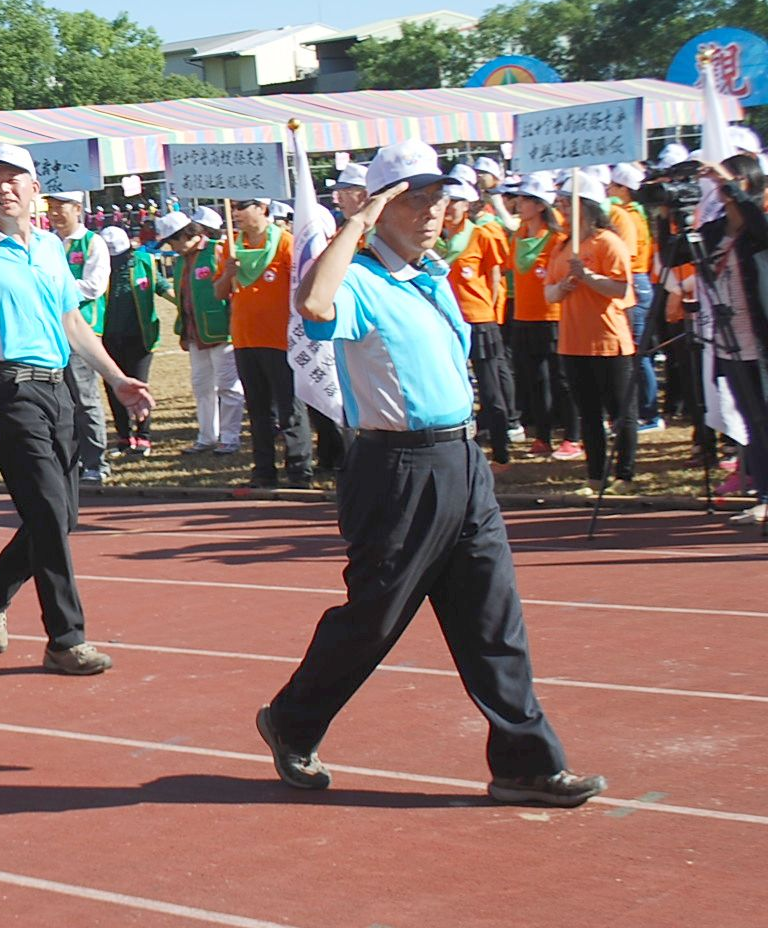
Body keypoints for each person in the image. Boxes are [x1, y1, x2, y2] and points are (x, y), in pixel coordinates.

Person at [259, 138, 607, 808]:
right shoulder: (359, 278)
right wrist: (357, 221)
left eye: (437, 197)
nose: (429, 211)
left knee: (493, 617)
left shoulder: (434, 276)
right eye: (412, 198)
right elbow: (315, 306)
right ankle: (293, 719)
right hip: (398, 469)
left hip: (461, 462)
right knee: (376, 616)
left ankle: (525, 763)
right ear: (381, 205)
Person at [0, 146, 152, 677]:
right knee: (44, 511)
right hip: (9, 390)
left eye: (14, 179)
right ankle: (66, 638)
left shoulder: (51, 250)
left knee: (63, 515)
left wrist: (118, 378)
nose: (3, 189)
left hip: (58, 388)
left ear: (35, 189)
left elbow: (73, 324)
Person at [544, 173, 638, 497]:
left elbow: (621, 288)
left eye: (565, 204)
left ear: (584, 206)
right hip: (572, 341)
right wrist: (563, 287)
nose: (560, 210)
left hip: (609, 341)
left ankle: (625, 475)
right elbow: (549, 294)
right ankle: (596, 477)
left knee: (620, 412)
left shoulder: (608, 243)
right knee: (588, 414)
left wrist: (587, 276)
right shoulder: (562, 246)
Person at [215, 198, 313, 487]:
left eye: (243, 207)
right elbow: (220, 291)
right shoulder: (232, 247)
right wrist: (229, 273)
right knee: (257, 410)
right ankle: (263, 470)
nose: (236, 214)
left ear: (263, 209)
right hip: (245, 339)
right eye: (233, 208)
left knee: (290, 409)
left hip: (282, 340)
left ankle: (299, 470)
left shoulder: (286, 244)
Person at [692, 153, 768, 519]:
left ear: (748, 184)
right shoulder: (716, 229)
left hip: (760, 339)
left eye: (730, 183)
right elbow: (679, 254)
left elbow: (757, 223)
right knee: (753, 422)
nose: (721, 192)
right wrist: (668, 213)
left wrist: (731, 186)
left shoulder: (760, 226)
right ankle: (765, 496)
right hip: (730, 343)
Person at [440, 175, 516, 467]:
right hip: (447, 320)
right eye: (445, 201)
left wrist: (491, 314)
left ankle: (501, 447)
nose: (449, 208)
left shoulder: (481, 235)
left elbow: (495, 279)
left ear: (468, 204)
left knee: (490, 387)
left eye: (455, 202)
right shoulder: (436, 239)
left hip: (479, 318)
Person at [157, 211, 244, 455]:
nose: (172, 248)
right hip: (194, 333)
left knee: (228, 386)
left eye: (173, 241)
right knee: (202, 386)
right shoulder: (182, 260)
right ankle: (207, 436)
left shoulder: (217, 250)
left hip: (220, 331)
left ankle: (230, 437)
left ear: (187, 234)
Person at [509, 175, 582, 461]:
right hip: (523, 316)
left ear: (540, 205)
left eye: (526, 199)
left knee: (561, 379)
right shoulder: (518, 236)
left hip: (552, 316)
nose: (519, 203)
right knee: (534, 379)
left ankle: (573, 436)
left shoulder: (558, 239)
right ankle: (542, 435)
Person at [42, 189, 111, 485]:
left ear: (77, 209)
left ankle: (96, 461)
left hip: (82, 331)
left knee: (85, 398)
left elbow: (94, 286)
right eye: (50, 207)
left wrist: (56, 284)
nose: (55, 213)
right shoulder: (44, 244)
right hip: (48, 332)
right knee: (59, 402)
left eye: (61, 207)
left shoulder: (92, 242)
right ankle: (71, 461)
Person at [98, 221, 166, 459]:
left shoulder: (144, 262)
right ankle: (124, 437)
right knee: (113, 387)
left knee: (138, 386)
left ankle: (144, 436)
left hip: (139, 338)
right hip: (108, 338)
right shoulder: (99, 268)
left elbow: (162, 286)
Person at [607, 165, 662, 432]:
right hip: (638, 280)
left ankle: (649, 412)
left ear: (623, 190)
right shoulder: (635, 215)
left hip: (636, 281)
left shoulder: (626, 217)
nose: (608, 190)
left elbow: (625, 255)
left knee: (638, 352)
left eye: (613, 186)